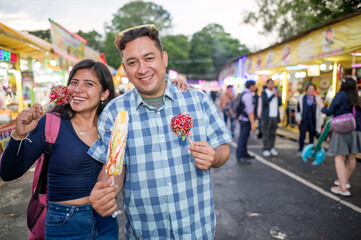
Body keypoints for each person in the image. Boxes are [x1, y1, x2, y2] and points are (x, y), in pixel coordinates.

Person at [88, 24, 231, 239]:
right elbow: (115, 167)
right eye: (132, 62)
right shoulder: (115, 113)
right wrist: (105, 192)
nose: (142, 69)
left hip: (196, 229)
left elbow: (223, 149)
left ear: (164, 58)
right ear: (124, 68)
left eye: (149, 58)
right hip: (145, 232)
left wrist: (214, 157)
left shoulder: (197, 101)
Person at [0, 59, 121, 239]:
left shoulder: (112, 128)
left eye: (89, 84)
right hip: (65, 223)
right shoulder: (51, 123)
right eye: (74, 82)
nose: (78, 89)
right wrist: (18, 136)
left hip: (106, 222)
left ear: (104, 94)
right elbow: (8, 173)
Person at [316, 77, 361, 197]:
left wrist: (321, 104)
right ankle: (344, 181)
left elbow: (329, 112)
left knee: (339, 157)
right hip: (356, 130)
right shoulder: (357, 98)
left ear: (343, 85)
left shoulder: (340, 95)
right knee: (352, 157)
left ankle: (342, 188)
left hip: (343, 129)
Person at [295, 83, 323, 157]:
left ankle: (310, 151)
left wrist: (321, 121)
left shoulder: (317, 99)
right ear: (306, 89)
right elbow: (297, 109)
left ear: (314, 90)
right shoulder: (301, 98)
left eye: (312, 89)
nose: (310, 90)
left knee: (311, 136)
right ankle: (300, 150)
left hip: (313, 120)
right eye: (309, 89)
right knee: (302, 135)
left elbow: (320, 111)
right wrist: (298, 118)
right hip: (303, 119)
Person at [236, 80, 257, 164]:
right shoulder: (248, 95)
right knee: (243, 138)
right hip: (245, 120)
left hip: (243, 119)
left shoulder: (244, 93)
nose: (255, 87)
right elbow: (250, 111)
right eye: (254, 86)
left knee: (244, 138)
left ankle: (244, 154)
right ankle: (240, 156)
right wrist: (253, 124)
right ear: (251, 86)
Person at [260, 79, 282, 157]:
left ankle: (271, 147)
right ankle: (265, 148)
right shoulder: (264, 93)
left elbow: (280, 104)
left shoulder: (275, 93)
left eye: (273, 84)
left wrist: (279, 96)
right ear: (267, 84)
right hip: (267, 117)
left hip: (275, 116)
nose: (272, 85)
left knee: (273, 133)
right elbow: (265, 102)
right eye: (270, 83)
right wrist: (273, 94)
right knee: (266, 133)